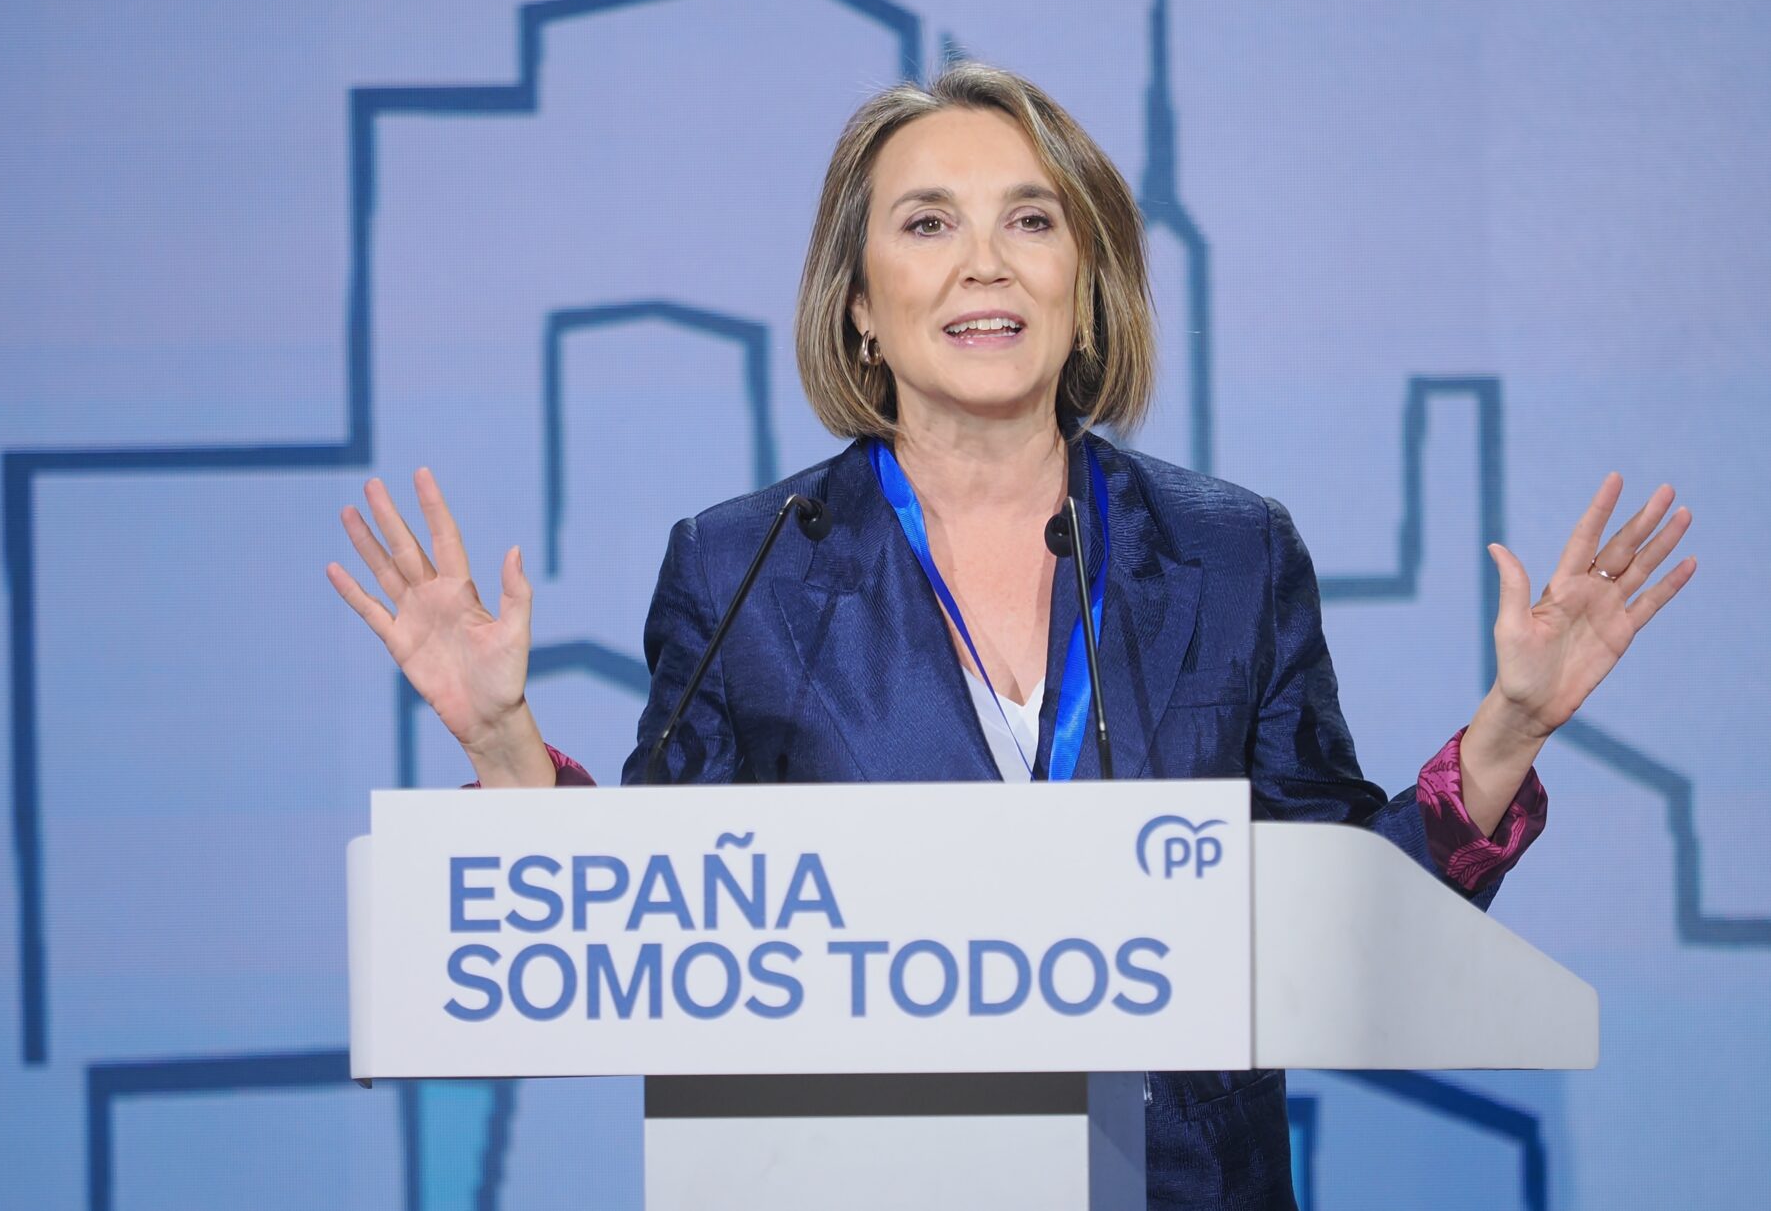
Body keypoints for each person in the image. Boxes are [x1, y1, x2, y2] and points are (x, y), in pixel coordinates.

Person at [326, 62, 1696, 1209]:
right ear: (858, 304)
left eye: (1030, 220)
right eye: (927, 223)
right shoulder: (743, 570)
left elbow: (1337, 921)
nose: (983, 260)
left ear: (1085, 287)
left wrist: (1508, 733)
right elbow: (656, 923)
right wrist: (504, 746)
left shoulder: (1232, 554)